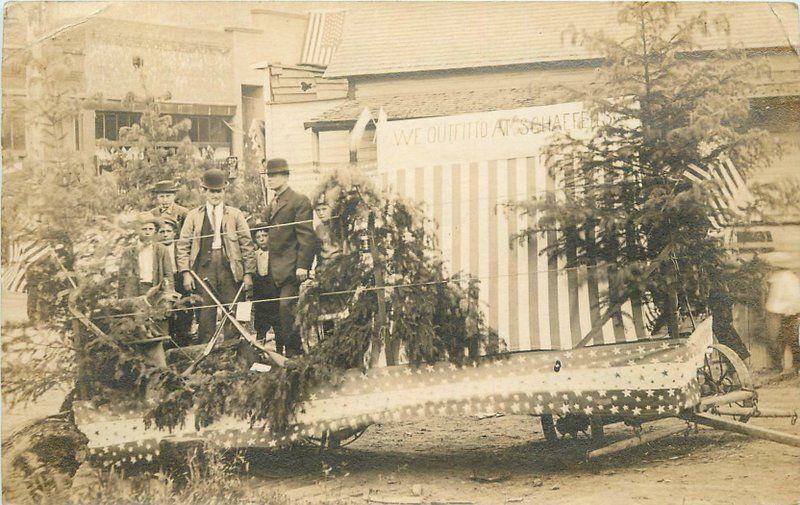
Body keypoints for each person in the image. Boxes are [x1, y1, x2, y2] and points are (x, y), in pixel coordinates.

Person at [176, 169, 256, 343]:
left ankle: (234, 353)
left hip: (231, 269)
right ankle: (208, 358)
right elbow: (183, 245)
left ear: (224, 191)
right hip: (203, 270)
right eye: (211, 191)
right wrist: (185, 272)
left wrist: (248, 273)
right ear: (204, 191)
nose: (215, 195)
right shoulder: (193, 216)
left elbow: (247, 245)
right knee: (205, 314)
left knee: (234, 312)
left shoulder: (235, 215)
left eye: (218, 191)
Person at [264, 158, 317, 356]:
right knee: (274, 314)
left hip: (291, 270)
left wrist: (303, 265)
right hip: (273, 270)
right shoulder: (271, 205)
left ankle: (295, 354)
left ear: (286, 176)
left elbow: (306, 236)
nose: (269, 179)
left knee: (288, 310)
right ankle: (281, 354)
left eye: (274, 175)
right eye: (268, 175)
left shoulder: (298, 201)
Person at [118, 213, 175, 300]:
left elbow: (168, 274)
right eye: (144, 229)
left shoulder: (162, 250)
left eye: (150, 229)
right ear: (137, 230)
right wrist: (122, 298)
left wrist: (168, 292)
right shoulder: (129, 250)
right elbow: (123, 277)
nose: (148, 232)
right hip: (135, 290)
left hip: (156, 289)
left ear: (155, 231)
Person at [158, 215, 194, 346]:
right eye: (162, 232)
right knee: (167, 308)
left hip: (179, 276)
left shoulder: (180, 246)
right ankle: (169, 337)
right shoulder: (156, 249)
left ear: (174, 233)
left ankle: (184, 335)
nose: (165, 235)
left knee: (185, 306)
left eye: (168, 231)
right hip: (164, 279)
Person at [250, 222, 281, 342]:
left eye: (264, 235)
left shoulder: (276, 253)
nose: (262, 239)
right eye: (258, 237)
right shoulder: (255, 255)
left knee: (278, 321)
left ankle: (279, 347)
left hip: (274, 291)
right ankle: (259, 348)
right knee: (261, 321)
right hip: (261, 292)